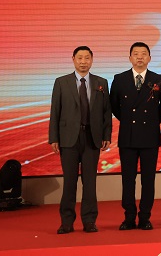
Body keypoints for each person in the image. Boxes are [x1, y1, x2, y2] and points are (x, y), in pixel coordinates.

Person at [49, 46, 112, 234]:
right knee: (69, 182)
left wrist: (106, 135)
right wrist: (54, 138)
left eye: (87, 58)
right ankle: (66, 222)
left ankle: (89, 220)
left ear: (92, 60)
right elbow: (55, 111)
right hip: (68, 138)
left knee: (90, 182)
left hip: (92, 138)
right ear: (73, 59)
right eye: (80, 58)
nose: (83, 61)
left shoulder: (101, 83)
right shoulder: (61, 82)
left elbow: (106, 112)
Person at [110, 42, 161, 230]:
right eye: (136, 54)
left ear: (149, 58)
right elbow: (114, 106)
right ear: (130, 58)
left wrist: (152, 121)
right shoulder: (119, 79)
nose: (140, 57)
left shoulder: (157, 79)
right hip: (127, 136)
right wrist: (128, 120)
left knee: (148, 180)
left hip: (149, 136)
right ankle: (129, 217)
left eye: (144, 54)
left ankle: (145, 217)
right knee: (128, 179)